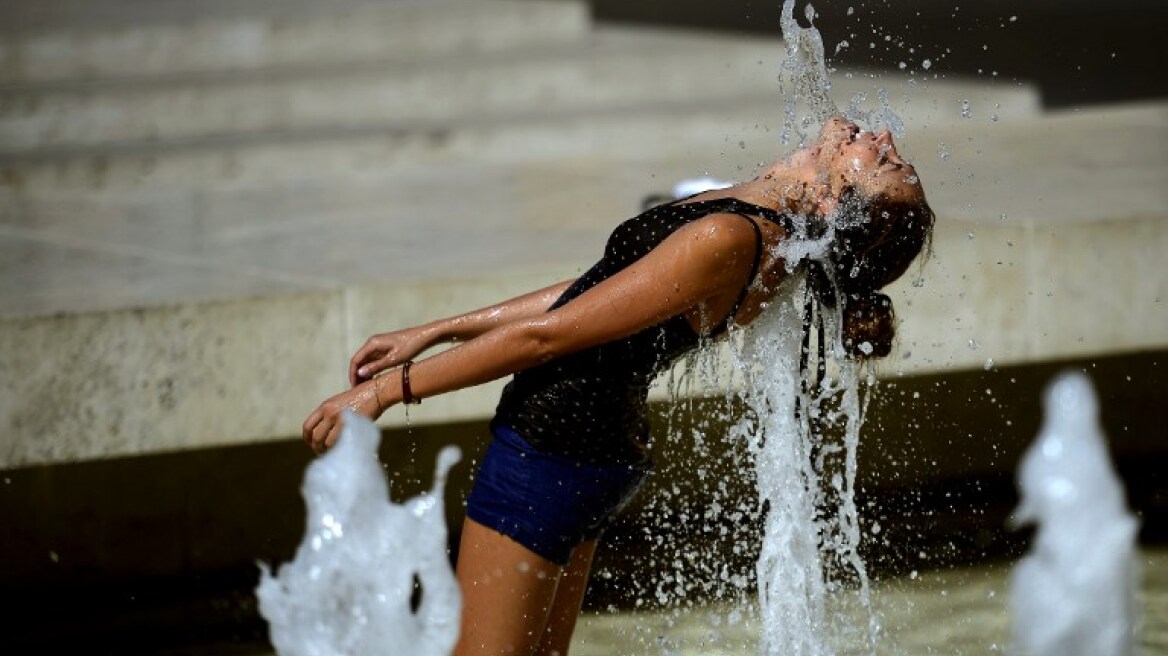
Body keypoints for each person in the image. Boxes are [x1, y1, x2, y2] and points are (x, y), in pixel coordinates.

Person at [302, 115, 934, 656]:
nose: (879, 137)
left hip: (547, 455)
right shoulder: (759, 224)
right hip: (586, 454)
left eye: (881, 162)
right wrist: (436, 330)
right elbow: (595, 291)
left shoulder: (731, 236)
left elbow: (548, 338)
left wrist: (386, 391)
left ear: (831, 204)